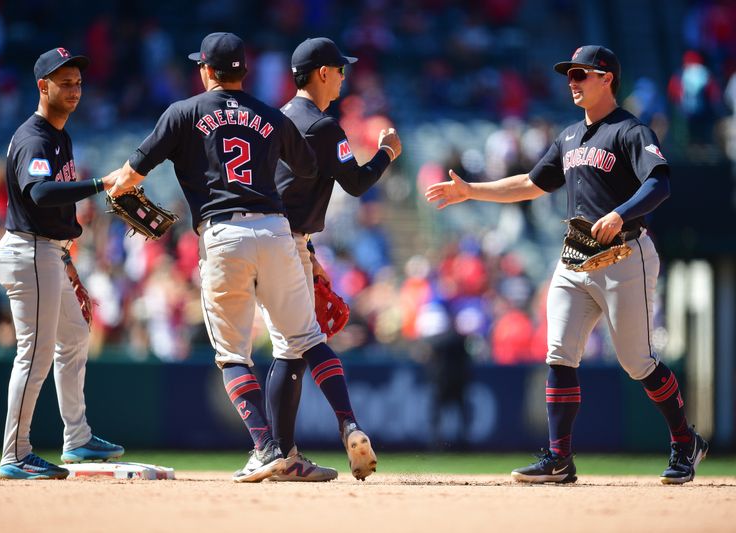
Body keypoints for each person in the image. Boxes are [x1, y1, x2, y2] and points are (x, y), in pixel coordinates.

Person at [425, 45, 708, 485]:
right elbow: (530, 183)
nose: (572, 82)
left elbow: (660, 183)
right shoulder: (570, 136)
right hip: (574, 257)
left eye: (581, 74)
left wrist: (620, 213)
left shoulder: (631, 131)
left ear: (607, 77)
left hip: (624, 255)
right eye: (569, 75)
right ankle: (559, 458)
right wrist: (471, 191)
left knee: (638, 362)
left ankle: (684, 441)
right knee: (558, 352)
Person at [106, 32, 376, 482]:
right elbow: (308, 168)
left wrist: (115, 189)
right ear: (243, 71)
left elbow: (132, 172)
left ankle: (268, 448)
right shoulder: (271, 115)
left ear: (206, 70)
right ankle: (347, 422)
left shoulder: (184, 112)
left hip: (223, 232)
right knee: (307, 338)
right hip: (275, 229)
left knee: (233, 354)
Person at [266, 37, 401, 482]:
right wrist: (386, 152)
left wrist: (303, 247)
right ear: (322, 73)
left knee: (289, 350)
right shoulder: (322, 126)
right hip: (284, 240)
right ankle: (346, 424)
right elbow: (359, 183)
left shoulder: (274, 119)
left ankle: (283, 453)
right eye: (340, 69)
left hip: (268, 235)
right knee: (305, 340)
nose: (344, 75)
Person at [0, 47, 124, 480]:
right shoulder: (36, 137)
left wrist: (66, 260)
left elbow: (49, 207)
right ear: (42, 86)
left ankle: (78, 439)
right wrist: (100, 183)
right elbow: (40, 193)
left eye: (78, 82)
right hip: (29, 251)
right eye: (64, 82)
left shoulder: (59, 135)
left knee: (74, 335)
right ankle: (15, 453)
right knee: (34, 356)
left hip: (46, 251)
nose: (74, 89)